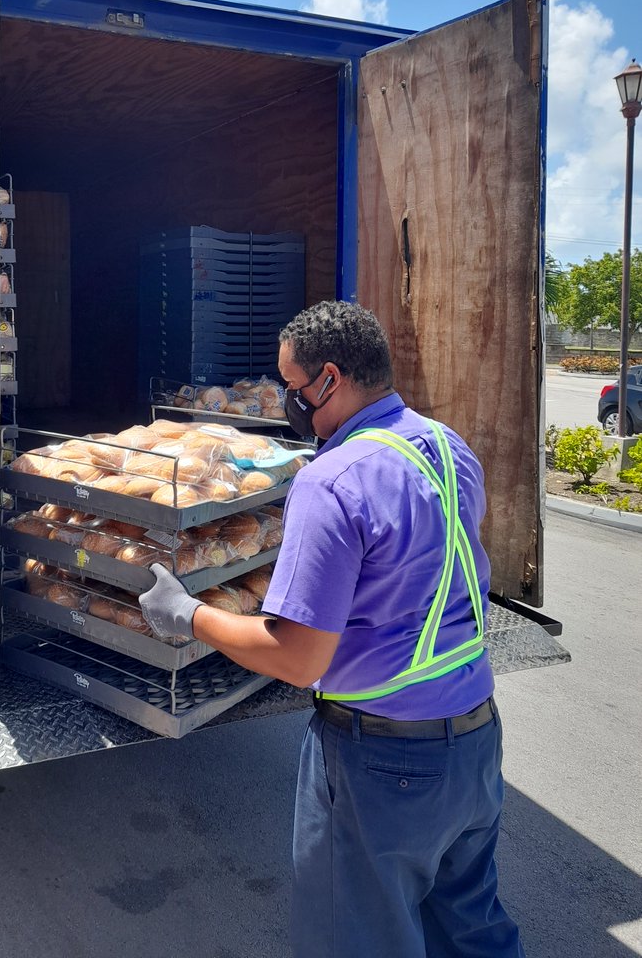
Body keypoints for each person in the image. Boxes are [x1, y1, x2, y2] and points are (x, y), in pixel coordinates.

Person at [140, 300, 525, 958]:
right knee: (470, 931)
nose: (289, 403)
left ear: (329, 379)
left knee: (359, 938)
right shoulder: (445, 447)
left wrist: (191, 614)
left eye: (293, 389)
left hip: (383, 765)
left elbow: (299, 658)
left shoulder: (331, 480)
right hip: (474, 743)